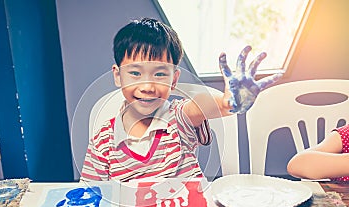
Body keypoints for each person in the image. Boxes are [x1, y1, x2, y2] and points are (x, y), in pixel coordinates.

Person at [81, 17, 281, 182]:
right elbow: (90, 193)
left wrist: (226, 102)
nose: (148, 87)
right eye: (135, 73)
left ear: (174, 79)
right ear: (118, 76)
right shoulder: (103, 141)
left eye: (159, 74)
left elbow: (201, 105)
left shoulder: (178, 117)